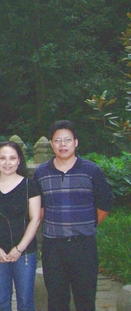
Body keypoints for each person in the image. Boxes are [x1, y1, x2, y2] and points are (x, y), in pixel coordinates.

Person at [34, 120, 113, 310]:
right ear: (52, 144)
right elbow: (39, 208)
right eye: (58, 140)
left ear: (76, 142)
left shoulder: (90, 170)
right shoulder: (41, 172)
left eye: (67, 140)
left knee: (85, 300)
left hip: (83, 245)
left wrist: (86, 225)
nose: (63, 144)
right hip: (53, 246)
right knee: (56, 300)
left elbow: (104, 203)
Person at [0, 141, 41, 311]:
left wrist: (19, 249)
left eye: (12, 158)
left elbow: (35, 219)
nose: (7, 162)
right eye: (2, 158)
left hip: (25, 252)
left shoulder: (30, 185)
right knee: (1, 300)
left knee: (25, 300)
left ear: (19, 160)